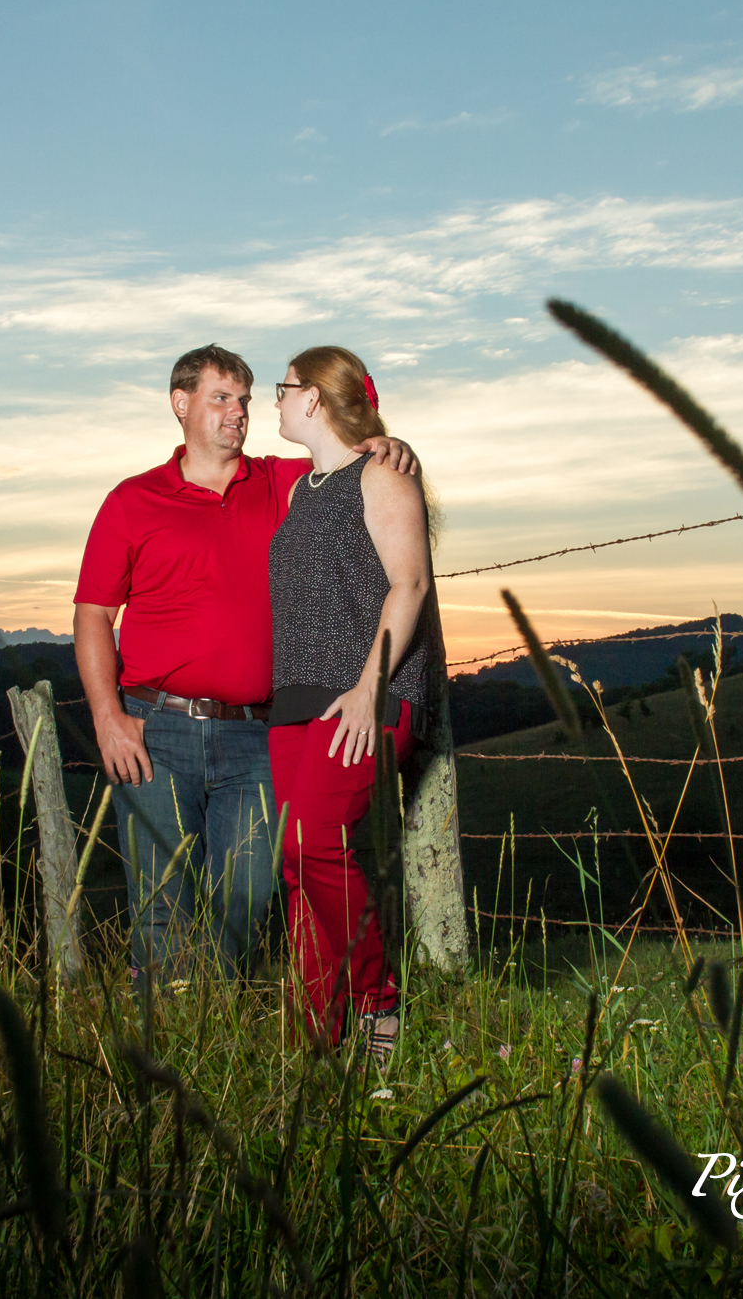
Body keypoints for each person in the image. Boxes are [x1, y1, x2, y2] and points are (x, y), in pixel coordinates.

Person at [73, 344, 414, 985]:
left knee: (248, 897)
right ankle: (171, 1049)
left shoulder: (279, 482)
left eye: (246, 401)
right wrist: (106, 715)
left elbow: (346, 461)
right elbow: (93, 614)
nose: (239, 414)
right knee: (161, 903)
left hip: (257, 735)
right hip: (155, 730)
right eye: (221, 398)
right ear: (181, 403)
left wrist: (388, 445)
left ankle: (217, 1028)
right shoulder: (132, 500)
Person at [265, 346, 434, 1063]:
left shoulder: (382, 475)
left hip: (364, 693)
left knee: (315, 842)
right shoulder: (304, 488)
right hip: (294, 701)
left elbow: (411, 585)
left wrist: (369, 686)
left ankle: (377, 1001)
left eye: (283, 388)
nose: (275, 401)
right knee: (295, 865)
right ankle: (320, 1037)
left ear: (313, 400)